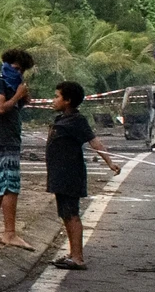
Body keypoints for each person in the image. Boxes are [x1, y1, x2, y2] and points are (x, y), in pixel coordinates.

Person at [47, 80, 118, 270]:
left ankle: (78, 257)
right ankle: (72, 253)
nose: (53, 100)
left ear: (68, 100)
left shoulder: (77, 121)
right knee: (65, 214)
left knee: (71, 214)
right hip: (59, 175)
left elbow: (95, 142)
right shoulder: (62, 119)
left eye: (57, 96)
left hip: (70, 174)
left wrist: (109, 162)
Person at [0, 48, 36, 247]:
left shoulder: (10, 85)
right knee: (10, 187)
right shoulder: (0, 83)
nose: (19, 74)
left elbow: (9, 110)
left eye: (22, 71)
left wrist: (21, 100)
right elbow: (0, 108)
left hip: (8, 140)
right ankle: (10, 233)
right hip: (3, 142)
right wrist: (16, 96)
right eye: (16, 68)